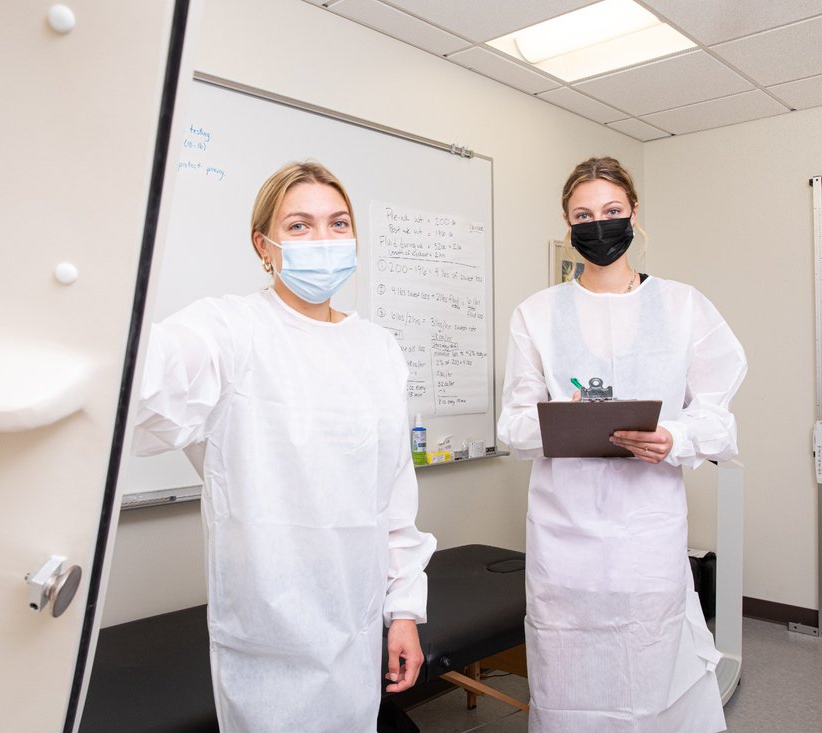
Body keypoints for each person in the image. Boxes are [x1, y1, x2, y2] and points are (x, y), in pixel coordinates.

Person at [133, 161, 436, 732]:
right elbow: (153, 374)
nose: (323, 239)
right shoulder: (229, 328)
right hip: (266, 638)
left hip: (356, 620)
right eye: (299, 226)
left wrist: (404, 613)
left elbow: (394, 503)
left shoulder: (378, 349)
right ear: (264, 245)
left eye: (337, 223)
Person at [497, 156, 746, 732]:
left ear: (635, 214)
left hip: (647, 535)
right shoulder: (537, 314)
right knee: (570, 668)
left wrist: (673, 438)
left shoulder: (684, 307)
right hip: (566, 536)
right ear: (567, 224)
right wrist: (572, 423)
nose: (599, 224)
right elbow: (514, 424)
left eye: (611, 211)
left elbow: (719, 422)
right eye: (583, 214)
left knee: (654, 660)